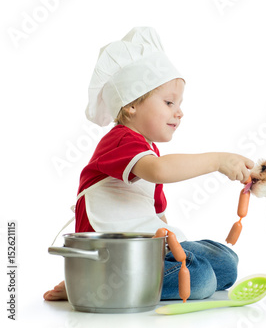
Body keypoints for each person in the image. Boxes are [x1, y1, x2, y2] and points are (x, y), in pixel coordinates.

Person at [43, 27, 254, 301]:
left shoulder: (147, 150)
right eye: (168, 102)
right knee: (200, 278)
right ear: (131, 105)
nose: (179, 112)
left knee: (226, 263)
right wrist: (217, 161)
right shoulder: (120, 141)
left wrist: (175, 250)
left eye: (179, 103)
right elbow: (159, 170)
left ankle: (115, 283)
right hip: (111, 262)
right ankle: (90, 284)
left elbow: (157, 214)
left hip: (145, 254)